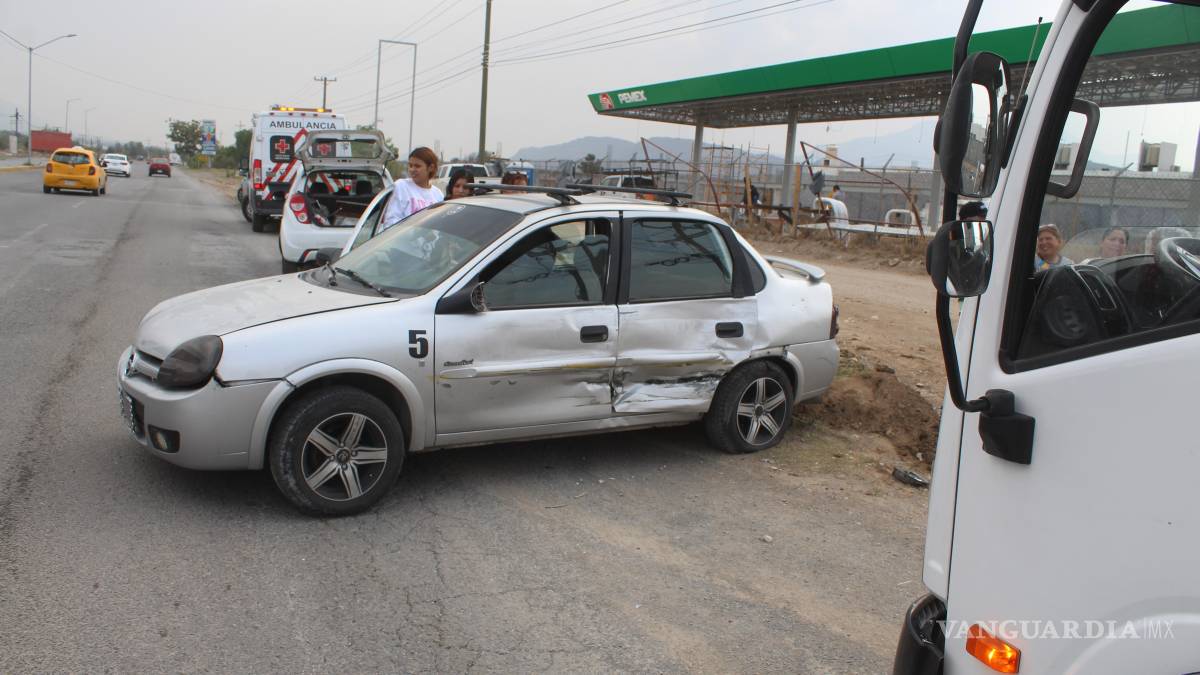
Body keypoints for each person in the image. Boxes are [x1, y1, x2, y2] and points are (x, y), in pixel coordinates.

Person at [381, 146, 443, 230]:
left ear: (431, 168)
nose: (412, 169)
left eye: (417, 166)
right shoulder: (401, 186)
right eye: (410, 165)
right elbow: (391, 221)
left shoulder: (438, 194)